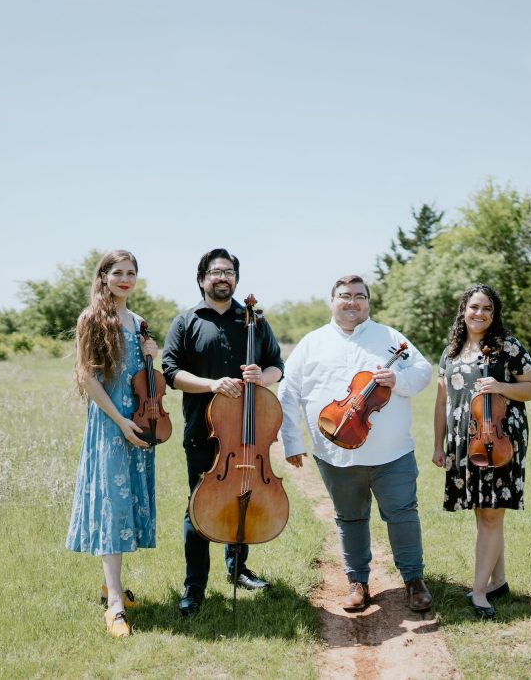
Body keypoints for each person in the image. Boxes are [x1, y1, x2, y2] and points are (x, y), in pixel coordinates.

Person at [279, 274, 434, 612]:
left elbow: (423, 371)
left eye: (359, 296)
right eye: (345, 295)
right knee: (349, 517)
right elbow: (287, 392)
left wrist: (399, 379)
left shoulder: (390, 337)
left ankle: (414, 580)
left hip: (392, 451)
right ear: (332, 300)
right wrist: (291, 441)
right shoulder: (311, 343)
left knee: (403, 513)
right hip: (334, 451)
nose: (352, 302)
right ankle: (357, 582)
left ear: (368, 302)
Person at [162, 248, 284, 616]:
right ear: (202, 279)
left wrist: (261, 377)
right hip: (204, 431)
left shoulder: (255, 322)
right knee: (198, 508)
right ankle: (194, 585)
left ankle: (237, 569)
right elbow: (171, 372)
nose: (222, 277)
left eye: (229, 272)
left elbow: (277, 365)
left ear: (236, 279)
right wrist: (212, 385)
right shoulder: (186, 321)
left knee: (243, 498)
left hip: (247, 437)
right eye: (215, 271)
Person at [432, 284, 531, 619]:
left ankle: (479, 593)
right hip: (465, 442)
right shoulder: (451, 351)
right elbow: (441, 401)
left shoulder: (507, 346)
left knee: (492, 514)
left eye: (487, 309)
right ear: (463, 309)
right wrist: (439, 444)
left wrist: (501, 386)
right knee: (485, 512)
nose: (480, 314)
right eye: (475, 307)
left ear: (494, 315)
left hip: (499, 439)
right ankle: (498, 581)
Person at [65, 250, 159, 638]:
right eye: (117, 272)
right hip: (110, 423)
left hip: (137, 421)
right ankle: (115, 607)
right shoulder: (92, 318)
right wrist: (119, 421)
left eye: (131, 272)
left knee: (126, 509)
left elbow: (143, 376)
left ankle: (111, 587)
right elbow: (87, 378)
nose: (125, 278)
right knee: (111, 507)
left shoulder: (138, 322)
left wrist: (154, 356)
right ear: (103, 276)